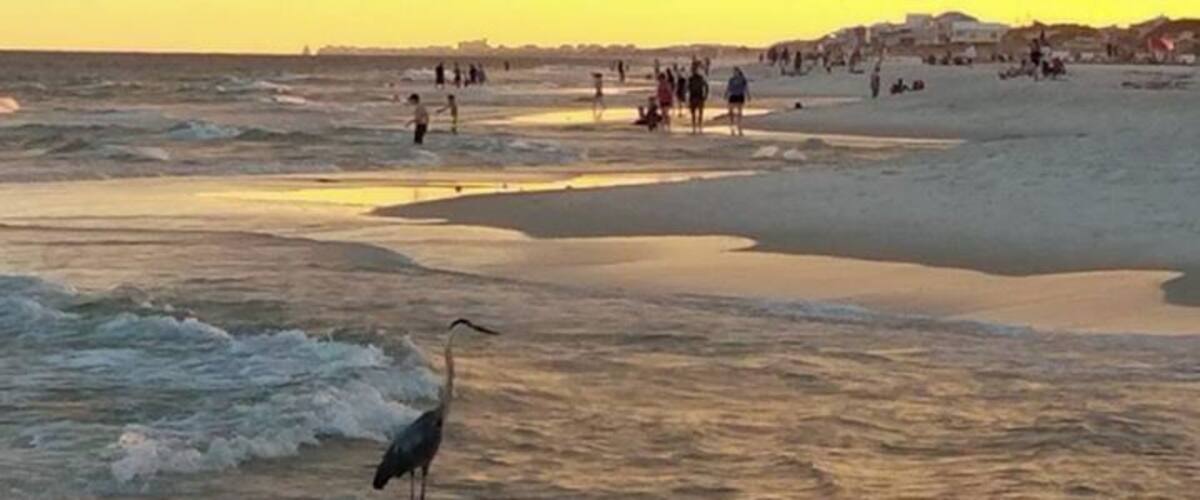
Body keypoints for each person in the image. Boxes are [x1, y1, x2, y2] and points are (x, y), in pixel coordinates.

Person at [725, 67, 749, 137]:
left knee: (739, 111)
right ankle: (732, 124)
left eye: (736, 72)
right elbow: (728, 87)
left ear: (738, 72)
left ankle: (739, 124)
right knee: (731, 111)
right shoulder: (731, 79)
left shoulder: (743, 79)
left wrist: (748, 95)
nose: (735, 73)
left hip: (740, 96)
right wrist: (726, 94)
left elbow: (746, 88)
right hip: (732, 96)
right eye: (734, 72)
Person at [686, 65, 709, 134]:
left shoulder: (699, 78)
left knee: (698, 113)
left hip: (698, 97)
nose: (693, 71)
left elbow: (706, 86)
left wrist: (705, 95)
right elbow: (687, 88)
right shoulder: (691, 79)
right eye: (693, 70)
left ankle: (698, 127)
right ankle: (695, 127)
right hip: (694, 97)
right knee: (695, 113)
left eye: (694, 70)